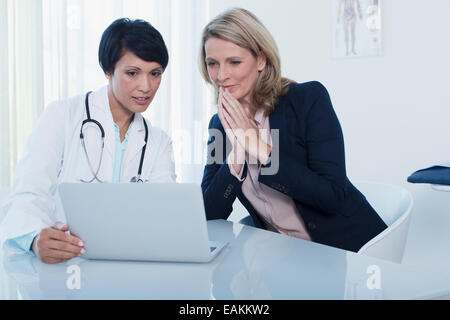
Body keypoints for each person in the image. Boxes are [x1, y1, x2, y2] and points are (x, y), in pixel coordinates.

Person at [199, 8, 387, 252]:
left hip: (350, 251)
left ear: (261, 60)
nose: (222, 75)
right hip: (287, 258)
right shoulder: (219, 125)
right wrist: (236, 154)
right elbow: (209, 215)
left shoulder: (307, 100)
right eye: (212, 64)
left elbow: (333, 196)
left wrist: (263, 150)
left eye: (234, 62)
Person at [0, 18, 176, 264]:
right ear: (108, 70)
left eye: (155, 74)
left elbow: (164, 213)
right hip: (66, 268)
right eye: (132, 73)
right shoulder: (63, 116)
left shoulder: (159, 142)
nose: (146, 86)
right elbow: (27, 194)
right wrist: (34, 238)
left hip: (131, 270)